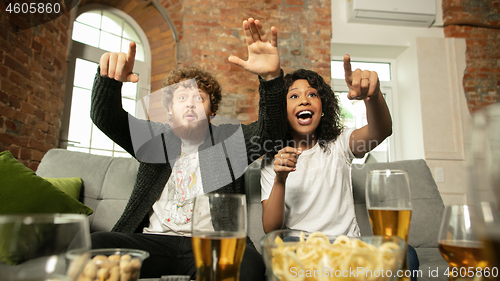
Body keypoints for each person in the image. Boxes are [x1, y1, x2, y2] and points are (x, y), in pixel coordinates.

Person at [90, 18, 286, 280]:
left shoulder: (229, 140)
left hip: (212, 245)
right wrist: (109, 79)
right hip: (153, 243)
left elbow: (270, 133)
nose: (191, 104)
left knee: (248, 265)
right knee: (93, 246)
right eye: (182, 97)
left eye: (199, 97)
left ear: (211, 110)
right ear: (170, 110)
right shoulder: (155, 140)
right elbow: (105, 117)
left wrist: (271, 78)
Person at [260, 56, 419, 280]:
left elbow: (381, 130)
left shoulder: (340, 143)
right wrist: (280, 179)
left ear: (323, 107)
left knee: (405, 254)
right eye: (294, 96)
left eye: (312, 94)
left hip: (348, 246)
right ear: (282, 112)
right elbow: (271, 227)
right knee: (284, 251)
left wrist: (371, 98)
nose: (304, 100)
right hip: (301, 247)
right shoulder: (274, 160)